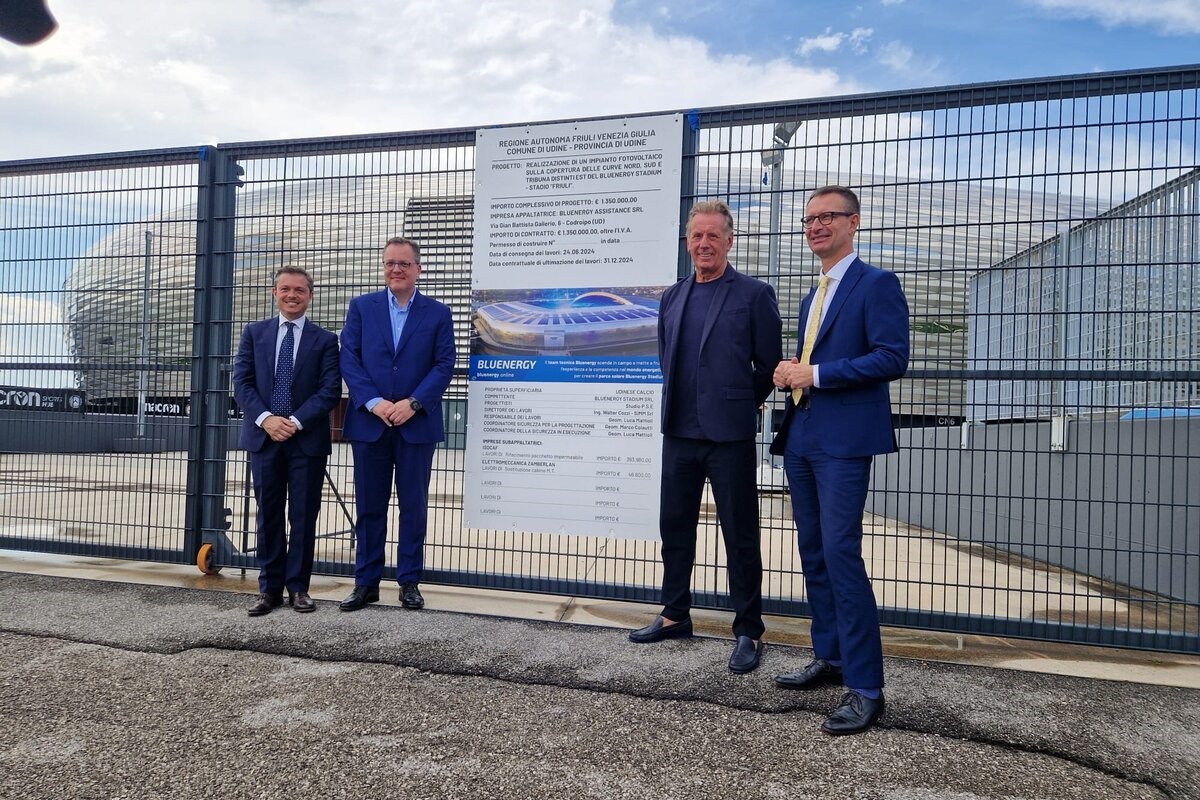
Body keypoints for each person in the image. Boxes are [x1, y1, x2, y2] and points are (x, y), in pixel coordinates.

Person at [770, 186, 910, 735]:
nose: (815, 226)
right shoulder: (814, 294)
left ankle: (866, 686)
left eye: (827, 217)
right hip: (803, 434)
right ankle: (828, 657)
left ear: (853, 222)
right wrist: (793, 372)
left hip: (844, 442)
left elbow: (891, 356)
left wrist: (818, 375)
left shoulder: (876, 284)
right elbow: (814, 360)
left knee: (841, 553)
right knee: (814, 553)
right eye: (809, 219)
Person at [628, 199, 782, 675]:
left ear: (730, 240)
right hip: (679, 431)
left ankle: (748, 630)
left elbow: (768, 365)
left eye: (714, 235)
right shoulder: (672, 297)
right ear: (688, 241)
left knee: (739, 535)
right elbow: (665, 357)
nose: (704, 244)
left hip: (729, 436)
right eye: (697, 236)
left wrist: (741, 401)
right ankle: (675, 614)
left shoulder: (754, 295)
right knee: (674, 527)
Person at [338, 236, 456, 612]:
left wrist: (413, 403)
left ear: (418, 269)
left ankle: (409, 581)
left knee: (413, 506)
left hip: (415, 425)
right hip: (371, 424)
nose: (396, 270)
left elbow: (444, 364)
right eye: (390, 263)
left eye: (404, 264)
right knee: (370, 506)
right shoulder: (362, 308)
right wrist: (373, 402)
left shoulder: (438, 313)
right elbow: (349, 360)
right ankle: (366, 582)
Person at [233, 265, 342, 616]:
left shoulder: (325, 340)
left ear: (310, 295)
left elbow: (329, 391)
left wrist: (293, 421)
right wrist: (267, 420)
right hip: (265, 438)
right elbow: (242, 384)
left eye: (299, 290)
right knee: (268, 515)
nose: (292, 295)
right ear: (274, 293)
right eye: (285, 289)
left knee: (303, 515)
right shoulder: (254, 333)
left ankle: (298, 588)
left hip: (305, 440)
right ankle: (269, 590)